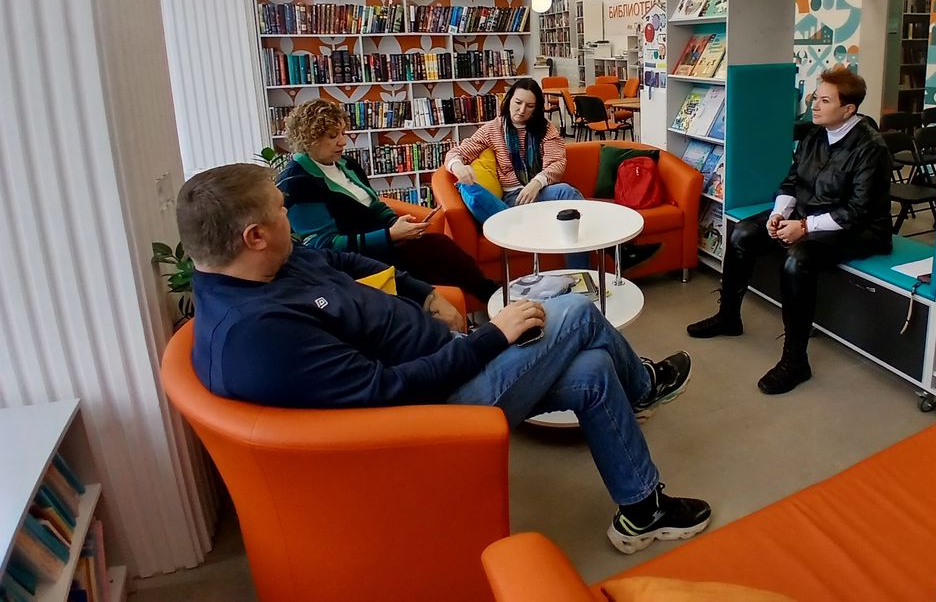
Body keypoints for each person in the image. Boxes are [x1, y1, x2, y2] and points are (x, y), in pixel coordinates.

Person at [180, 163, 711, 553]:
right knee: (574, 310)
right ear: (253, 236)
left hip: (448, 360)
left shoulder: (272, 265)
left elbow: (340, 260)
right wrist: (492, 338)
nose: (290, 219)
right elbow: (388, 391)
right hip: (436, 413)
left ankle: (643, 509)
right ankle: (645, 384)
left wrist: (424, 292)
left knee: (593, 370)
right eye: (281, 211)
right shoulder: (257, 334)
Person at [686, 69, 893, 395]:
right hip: (810, 214)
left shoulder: (871, 148)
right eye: (816, 97)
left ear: (848, 109)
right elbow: (792, 182)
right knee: (743, 233)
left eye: (825, 100)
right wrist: (779, 214)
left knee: (798, 260)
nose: (815, 105)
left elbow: (856, 213)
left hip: (859, 229)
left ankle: (796, 360)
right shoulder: (815, 134)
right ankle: (728, 317)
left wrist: (805, 227)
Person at [277, 99, 498, 310]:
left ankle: (483, 300)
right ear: (309, 139)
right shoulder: (297, 182)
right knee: (436, 254)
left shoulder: (345, 163)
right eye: (333, 136)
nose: (343, 142)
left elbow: (373, 203)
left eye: (343, 133)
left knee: (439, 248)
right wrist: (390, 235)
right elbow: (325, 246)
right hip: (354, 259)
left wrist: (397, 223)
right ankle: (486, 299)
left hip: (384, 240)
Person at [445, 78, 659, 270]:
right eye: (518, 102)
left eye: (529, 106)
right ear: (508, 100)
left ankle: (586, 271)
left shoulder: (545, 128)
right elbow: (456, 153)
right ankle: (616, 251)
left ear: (536, 108)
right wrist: (458, 167)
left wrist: (536, 182)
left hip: (540, 191)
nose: (521, 110)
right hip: (513, 199)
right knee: (568, 196)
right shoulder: (492, 129)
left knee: (566, 197)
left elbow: (557, 163)